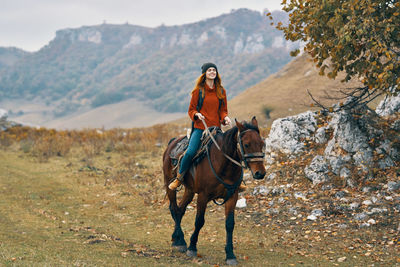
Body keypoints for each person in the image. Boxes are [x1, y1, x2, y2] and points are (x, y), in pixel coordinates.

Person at [169, 62, 243, 190]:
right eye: (209, 70)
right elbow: (191, 109)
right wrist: (197, 114)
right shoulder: (198, 91)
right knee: (190, 152)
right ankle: (179, 178)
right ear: (204, 74)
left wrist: (225, 117)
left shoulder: (221, 91)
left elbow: (223, 109)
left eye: (214, 70)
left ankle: (238, 180)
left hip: (216, 129)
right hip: (200, 128)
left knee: (234, 151)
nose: (212, 72)